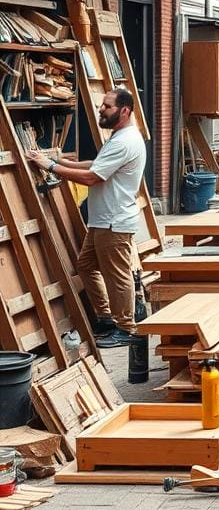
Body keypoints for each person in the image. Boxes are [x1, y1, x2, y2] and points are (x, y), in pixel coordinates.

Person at [29, 88, 146, 348]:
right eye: (102, 105)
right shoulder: (118, 137)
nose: (101, 110)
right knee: (86, 265)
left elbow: (92, 177)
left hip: (114, 221)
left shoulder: (126, 141)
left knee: (117, 275)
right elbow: (94, 165)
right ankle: (105, 317)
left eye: (107, 107)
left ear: (124, 111)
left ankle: (126, 328)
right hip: (103, 219)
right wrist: (57, 160)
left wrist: (51, 167)